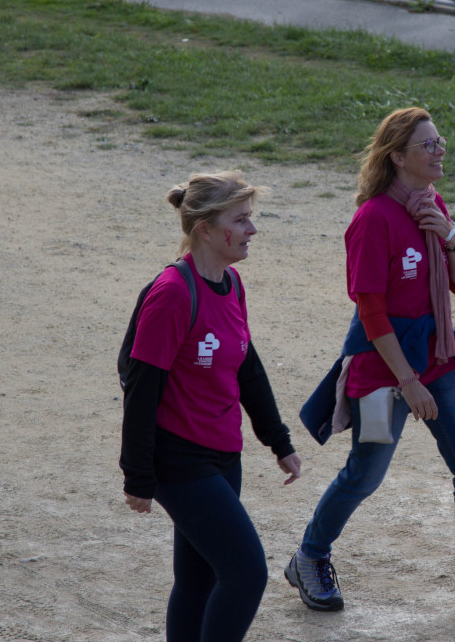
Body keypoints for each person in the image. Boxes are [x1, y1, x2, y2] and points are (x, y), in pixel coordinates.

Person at [284, 107, 455, 617]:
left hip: (439, 358)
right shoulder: (372, 220)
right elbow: (371, 312)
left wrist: (449, 234)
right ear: (398, 157)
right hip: (382, 370)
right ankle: (308, 557)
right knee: (365, 474)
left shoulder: (430, 203)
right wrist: (408, 380)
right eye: (428, 144)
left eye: (440, 141)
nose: (439, 150)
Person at [120, 170, 302, 642]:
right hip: (180, 460)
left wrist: (278, 440)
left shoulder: (231, 283)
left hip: (223, 454)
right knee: (246, 574)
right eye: (240, 220)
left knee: (198, 580)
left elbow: (247, 367)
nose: (252, 230)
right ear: (205, 229)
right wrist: (137, 474)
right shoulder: (172, 294)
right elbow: (141, 388)